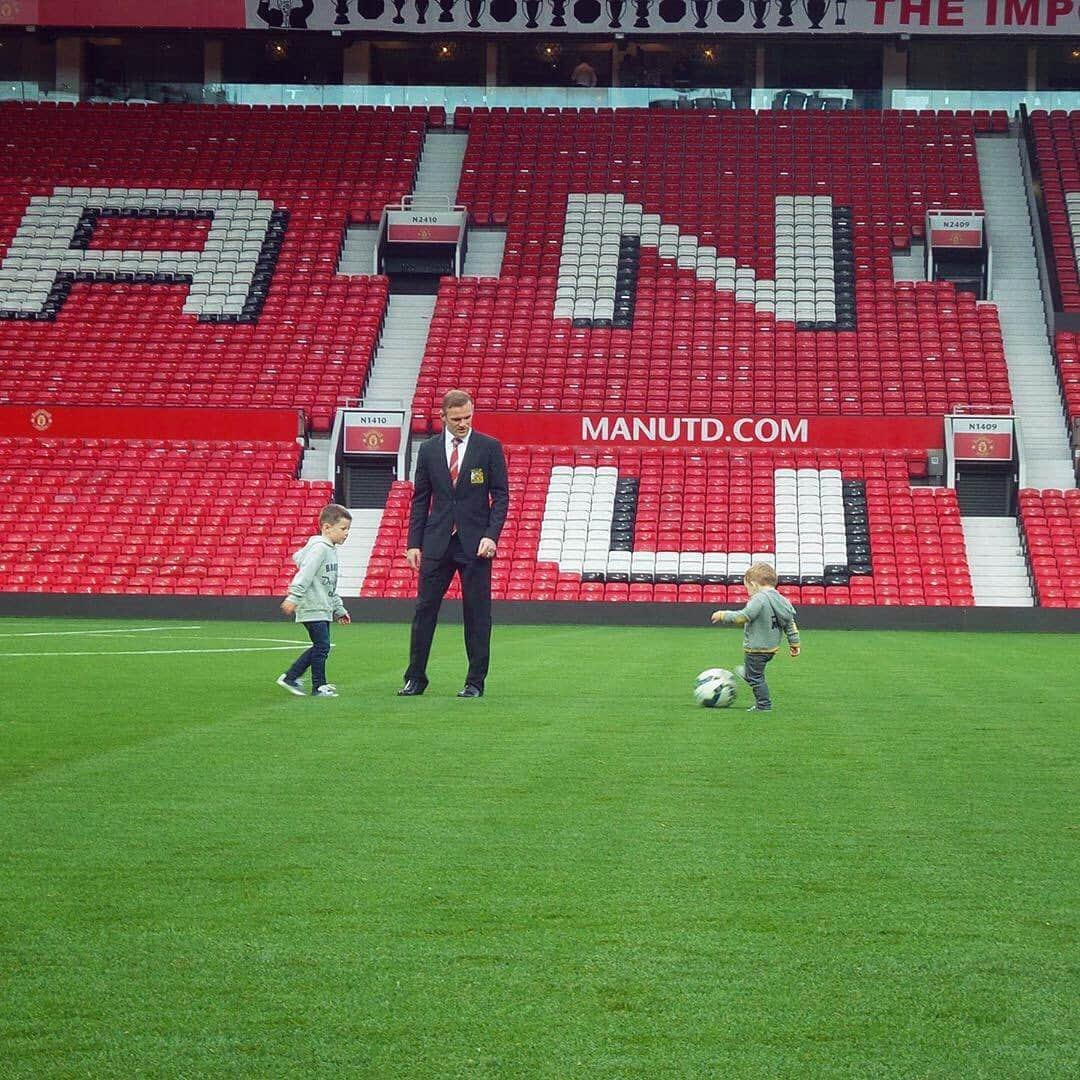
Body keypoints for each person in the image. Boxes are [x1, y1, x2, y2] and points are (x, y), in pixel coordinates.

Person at [399, 390, 509, 699]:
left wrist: (492, 535)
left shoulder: (489, 447)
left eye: (468, 417)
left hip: (475, 544)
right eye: (457, 418)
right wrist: (413, 543)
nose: (463, 423)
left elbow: (501, 496)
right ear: (444, 417)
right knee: (424, 610)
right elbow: (420, 498)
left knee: (477, 613)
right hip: (437, 541)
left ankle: (475, 682)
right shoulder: (430, 450)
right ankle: (415, 678)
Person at [277, 504, 352, 698]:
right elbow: (306, 574)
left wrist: (339, 609)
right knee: (322, 646)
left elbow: (330, 585)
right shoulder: (319, 549)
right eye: (343, 529)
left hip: (323, 606)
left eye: (348, 529)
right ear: (327, 527)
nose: (346, 534)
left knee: (321, 646)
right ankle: (315, 685)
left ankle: (297, 677)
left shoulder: (331, 550)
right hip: (312, 605)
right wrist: (294, 597)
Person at [710, 562, 801, 712]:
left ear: (754, 584)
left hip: (756, 648)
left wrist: (722, 615)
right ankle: (749, 673)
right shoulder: (783, 600)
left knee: (756, 678)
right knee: (755, 673)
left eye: (747, 588)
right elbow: (790, 624)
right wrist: (794, 644)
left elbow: (743, 617)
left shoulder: (759, 599)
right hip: (771, 648)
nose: (748, 593)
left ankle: (763, 705)